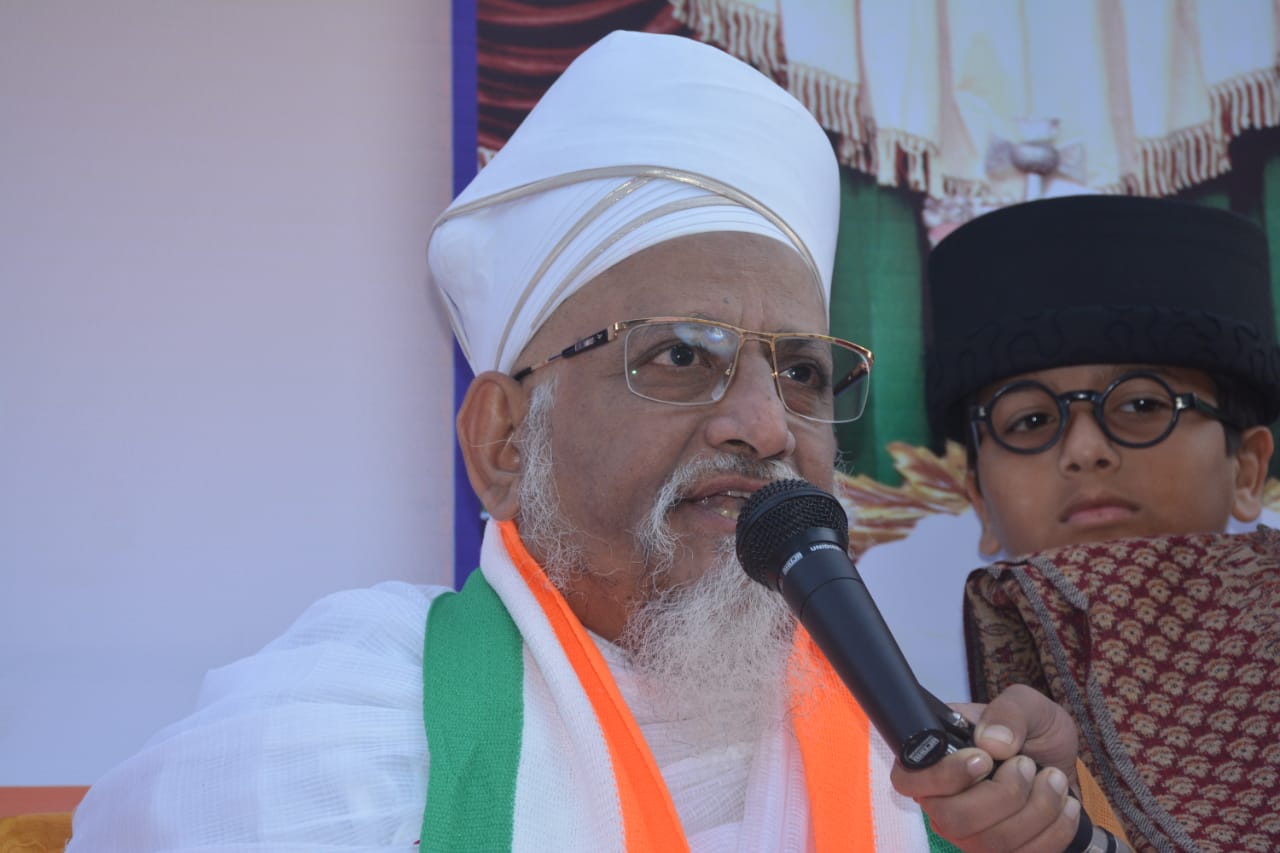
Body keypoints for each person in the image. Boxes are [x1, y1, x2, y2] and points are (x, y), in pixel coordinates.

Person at [67, 31, 1104, 852]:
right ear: (503, 441)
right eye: (681, 355)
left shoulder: (922, 756)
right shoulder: (340, 750)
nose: (763, 425)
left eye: (799, 372)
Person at [861, 194, 1280, 701]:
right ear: (981, 504)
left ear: (1247, 471)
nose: (1084, 450)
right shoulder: (893, 711)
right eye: (1032, 421)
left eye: (1142, 405)